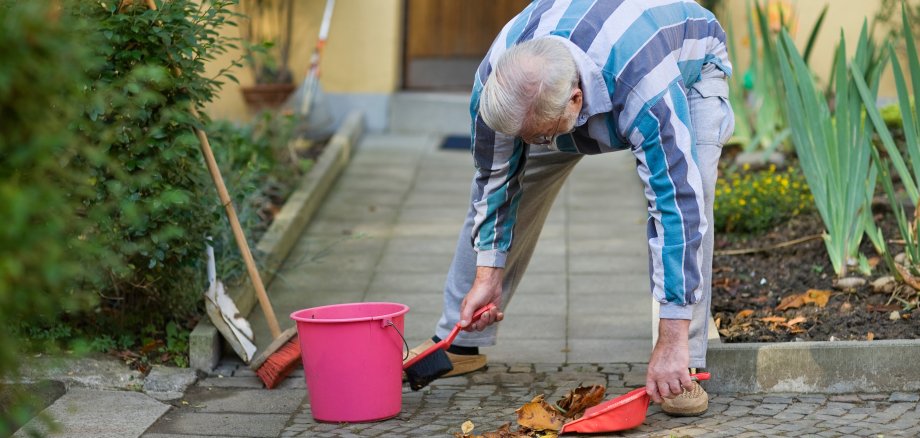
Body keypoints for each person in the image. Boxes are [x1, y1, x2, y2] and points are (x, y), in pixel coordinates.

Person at [404, 0, 734, 417]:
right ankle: (461, 341)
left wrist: (671, 335)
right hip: (563, 93)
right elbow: (494, 180)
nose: (537, 144)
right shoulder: (498, 79)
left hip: (686, 72)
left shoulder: (642, 85)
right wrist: (490, 271)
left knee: (693, 191)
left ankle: (680, 362)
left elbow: (676, 207)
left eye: (540, 136)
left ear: (577, 102)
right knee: (504, 180)